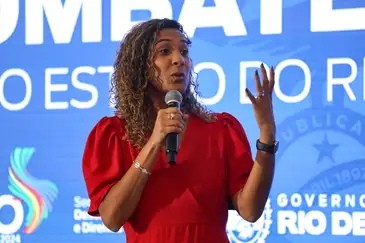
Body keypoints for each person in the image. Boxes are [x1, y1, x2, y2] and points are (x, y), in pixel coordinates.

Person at [82, 18, 278, 243]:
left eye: (184, 52)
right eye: (164, 51)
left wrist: (266, 135)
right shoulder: (114, 134)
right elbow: (112, 218)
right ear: (139, 66)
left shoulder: (220, 129)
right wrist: (154, 142)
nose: (179, 60)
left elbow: (251, 211)